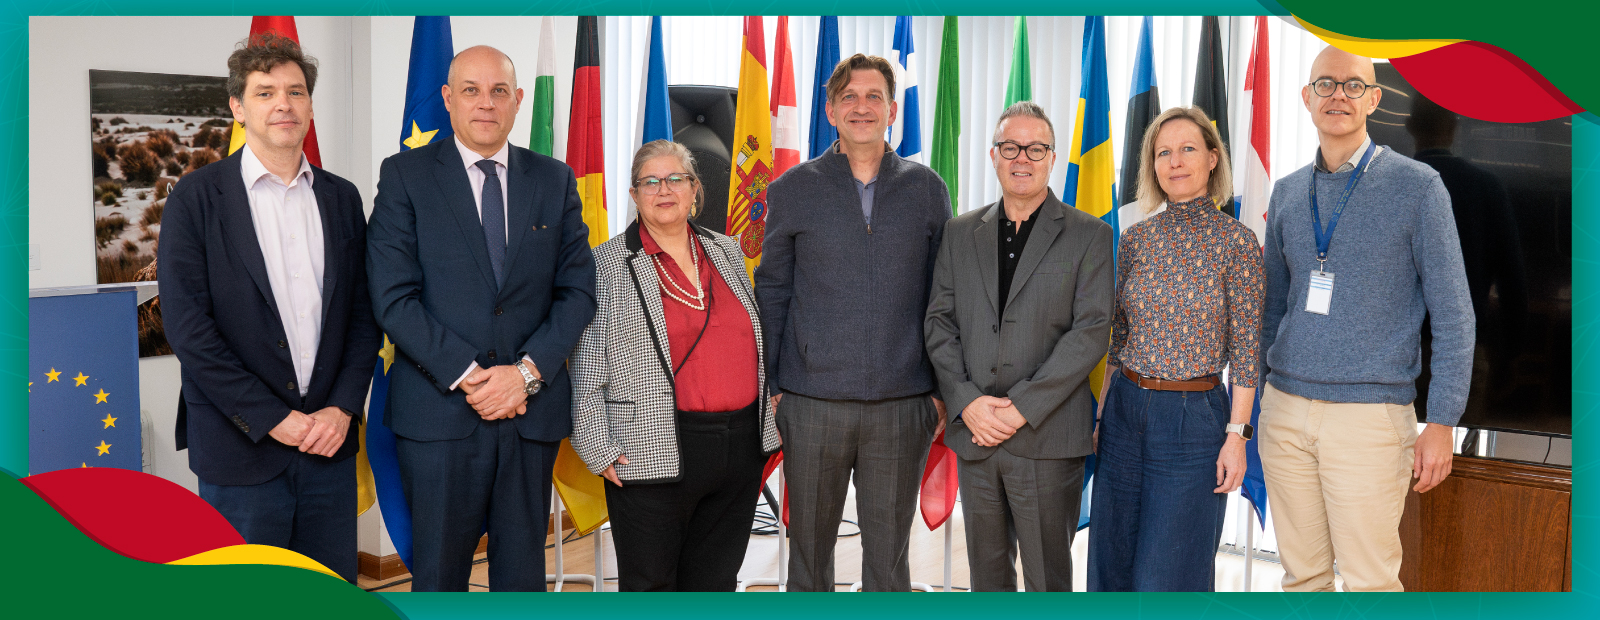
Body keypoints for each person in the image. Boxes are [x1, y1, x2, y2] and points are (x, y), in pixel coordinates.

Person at [366, 45, 597, 592]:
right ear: (448, 98)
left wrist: (525, 375)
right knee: (440, 580)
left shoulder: (554, 179)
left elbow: (578, 291)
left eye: (499, 91)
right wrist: (473, 378)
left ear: (518, 100)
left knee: (522, 579)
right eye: (471, 90)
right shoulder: (405, 176)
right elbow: (393, 297)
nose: (485, 103)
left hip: (529, 413)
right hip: (439, 415)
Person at [160, 33, 379, 582]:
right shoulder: (196, 198)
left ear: (310, 105)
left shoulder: (342, 197)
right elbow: (188, 330)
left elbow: (362, 315)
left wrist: (343, 408)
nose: (284, 104)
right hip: (241, 450)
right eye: (265, 93)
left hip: (328, 445)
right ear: (238, 107)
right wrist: (272, 418)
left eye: (295, 91)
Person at [1258, 46, 1473, 592]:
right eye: (1325, 84)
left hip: (1370, 420)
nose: (1339, 96)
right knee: (1301, 578)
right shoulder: (1287, 192)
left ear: (1374, 99)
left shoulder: (1419, 187)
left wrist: (1442, 422)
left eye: (1353, 85)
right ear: (1306, 97)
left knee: (1370, 584)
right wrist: (1259, 398)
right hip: (1285, 412)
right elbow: (1271, 309)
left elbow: (1454, 315)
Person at [756, 53, 952, 592]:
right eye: (849, 97)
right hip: (811, 402)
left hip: (902, 405)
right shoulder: (792, 188)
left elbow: (945, 296)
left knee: (888, 565)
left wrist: (938, 392)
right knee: (809, 558)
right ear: (830, 110)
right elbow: (772, 291)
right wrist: (773, 387)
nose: (861, 107)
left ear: (893, 111)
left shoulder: (927, 189)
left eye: (873, 97)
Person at [569, 140, 780, 591]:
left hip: (740, 447)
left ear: (694, 189)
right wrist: (598, 447)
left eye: (675, 179)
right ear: (634, 194)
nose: (663, 190)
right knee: (651, 588)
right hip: (649, 446)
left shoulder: (726, 250)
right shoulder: (605, 265)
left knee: (715, 583)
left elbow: (753, 337)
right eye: (650, 182)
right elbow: (585, 367)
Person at [924, 101, 1112, 591]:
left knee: (1047, 581)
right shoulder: (959, 232)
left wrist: (1021, 407)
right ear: (993, 155)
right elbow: (939, 323)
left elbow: (1091, 330)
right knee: (987, 580)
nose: (1022, 158)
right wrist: (967, 401)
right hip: (976, 434)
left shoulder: (1090, 235)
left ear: (1052, 158)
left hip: (1047, 437)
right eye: (1010, 147)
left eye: (1035, 148)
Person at [1087, 106, 1263, 592]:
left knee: (1170, 575)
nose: (1175, 161)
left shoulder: (1238, 243)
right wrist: (1102, 416)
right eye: (1163, 152)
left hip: (1194, 421)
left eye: (1187, 149)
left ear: (1212, 158)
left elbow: (1247, 354)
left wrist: (1237, 438)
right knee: (1111, 565)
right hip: (1124, 413)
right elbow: (1119, 340)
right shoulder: (1136, 239)